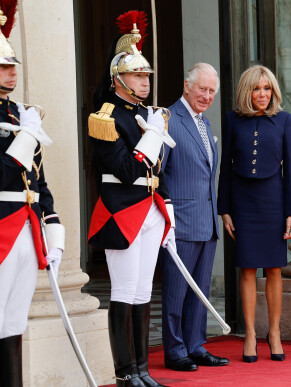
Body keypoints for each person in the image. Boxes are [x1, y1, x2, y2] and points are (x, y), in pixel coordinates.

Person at [88, 11, 175, 387]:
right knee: (123, 292)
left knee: (143, 293)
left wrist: (167, 207)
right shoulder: (106, 116)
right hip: (120, 210)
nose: (145, 81)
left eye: (146, 76)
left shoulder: (147, 115)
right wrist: (152, 135)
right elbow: (125, 169)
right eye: (138, 75)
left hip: (149, 209)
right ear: (118, 79)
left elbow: (156, 173)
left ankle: (142, 368)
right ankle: (125, 372)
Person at [0, 3, 63, 385]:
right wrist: (26, 135)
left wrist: (53, 232)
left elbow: (38, 181)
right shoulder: (22, 122)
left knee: (13, 321)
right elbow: (4, 172)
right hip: (2, 228)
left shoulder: (19, 114)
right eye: (4, 66)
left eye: (13, 66)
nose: (12, 72)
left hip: (26, 226)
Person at [217, 65, 291, 363]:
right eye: (256, 88)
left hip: (274, 201)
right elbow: (225, 166)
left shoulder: (284, 120)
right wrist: (223, 208)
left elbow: (290, 169)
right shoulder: (231, 120)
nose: (262, 94)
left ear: (273, 92)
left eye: (267, 89)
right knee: (248, 268)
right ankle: (250, 333)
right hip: (242, 202)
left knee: (275, 268)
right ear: (246, 91)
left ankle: (273, 332)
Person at [160, 63, 229, 371]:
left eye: (212, 90)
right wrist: (167, 218)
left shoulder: (204, 122)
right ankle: (175, 350)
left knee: (199, 292)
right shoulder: (168, 119)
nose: (207, 95)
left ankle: (196, 345)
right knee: (176, 292)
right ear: (187, 86)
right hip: (181, 223)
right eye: (202, 88)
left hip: (206, 222)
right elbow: (158, 173)